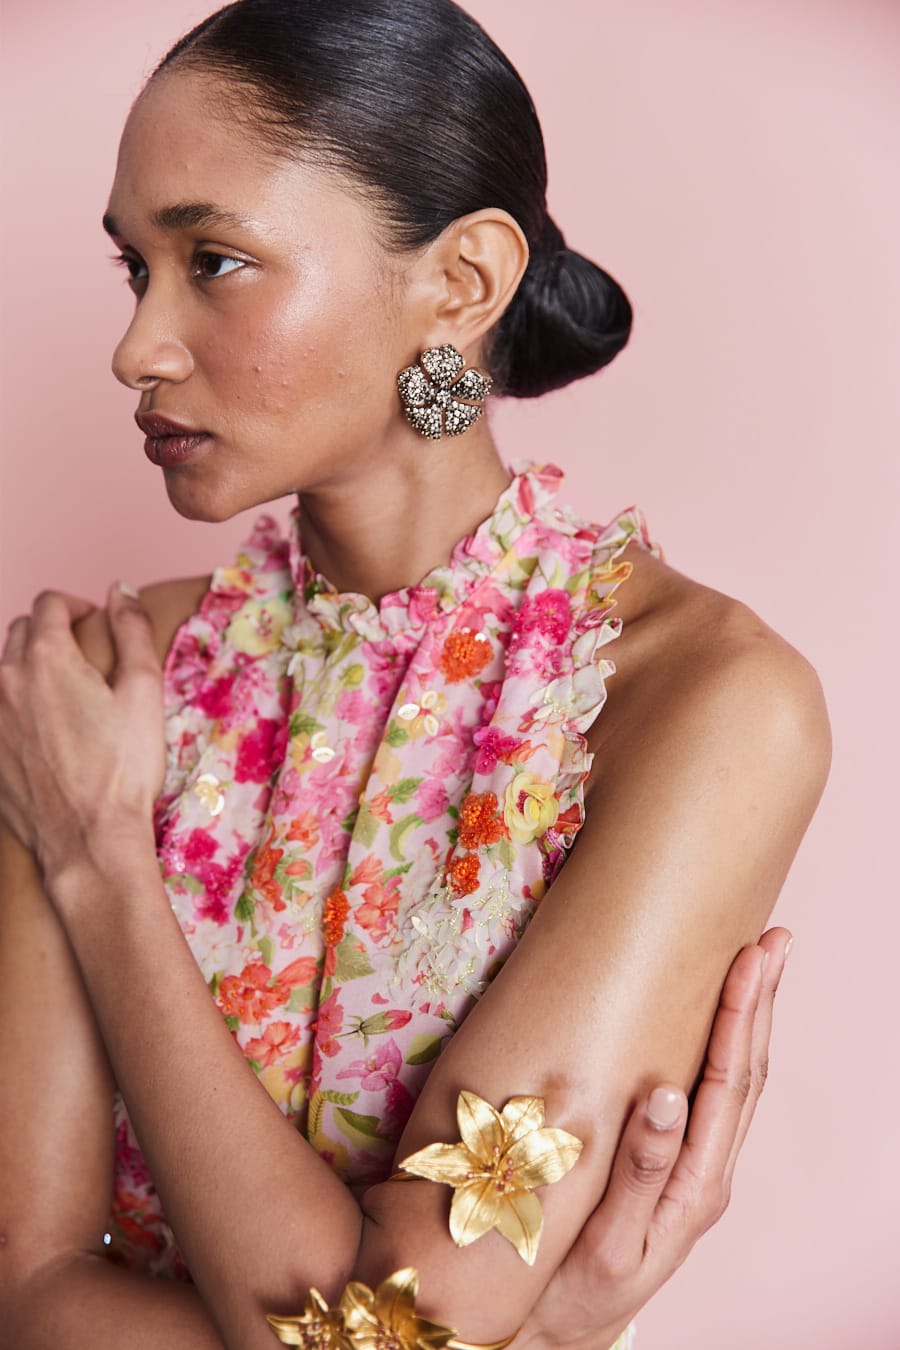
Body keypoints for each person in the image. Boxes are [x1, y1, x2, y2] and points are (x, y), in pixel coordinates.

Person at [0, 1, 831, 1347]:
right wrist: (529, 1334)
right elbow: (28, 1299)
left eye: (212, 259)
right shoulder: (96, 686)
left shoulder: (706, 702)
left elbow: (385, 1331)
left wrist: (102, 861)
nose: (135, 347)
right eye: (131, 270)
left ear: (459, 284)